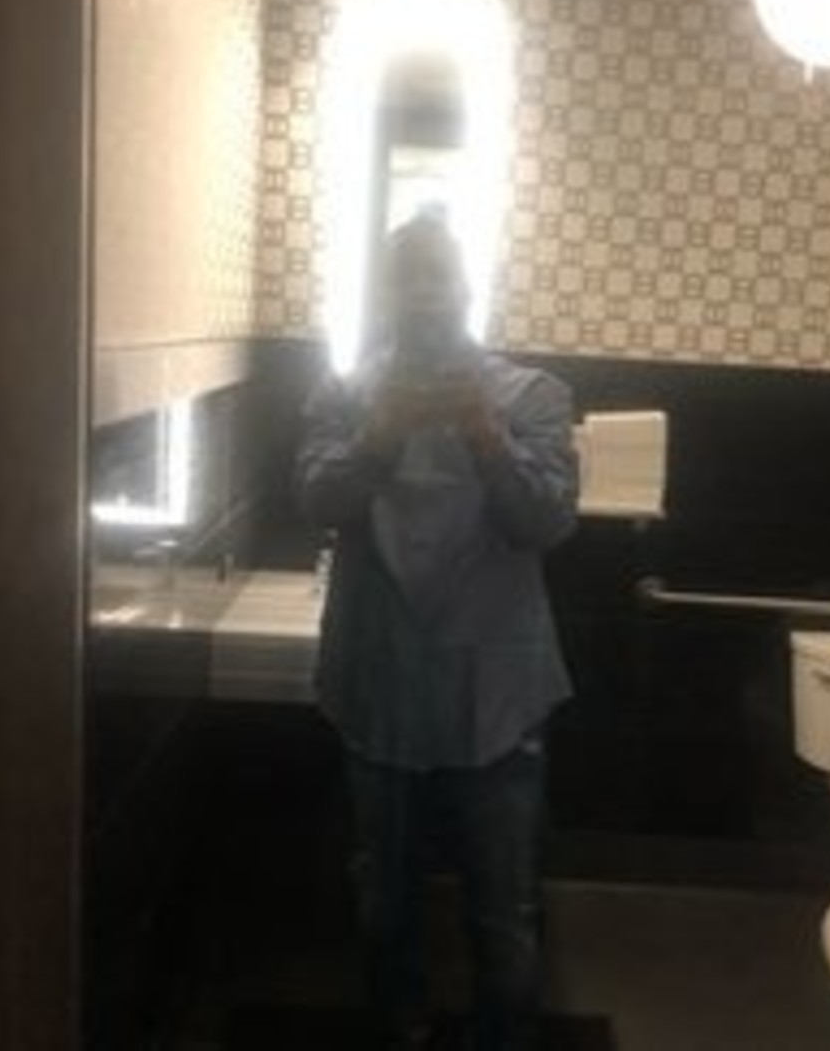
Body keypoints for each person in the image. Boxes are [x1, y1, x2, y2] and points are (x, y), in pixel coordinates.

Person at [296, 214, 578, 1051]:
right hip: (378, 683)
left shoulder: (534, 396)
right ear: (386, 293)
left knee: (505, 908)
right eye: (407, 277)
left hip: (498, 691)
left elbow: (548, 522)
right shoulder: (343, 395)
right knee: (385, 900)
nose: (425, 294)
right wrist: (377, 438)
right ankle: (399, 1031)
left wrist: (487, 436)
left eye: (438, 276)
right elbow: (315, 501)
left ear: (466, 287)